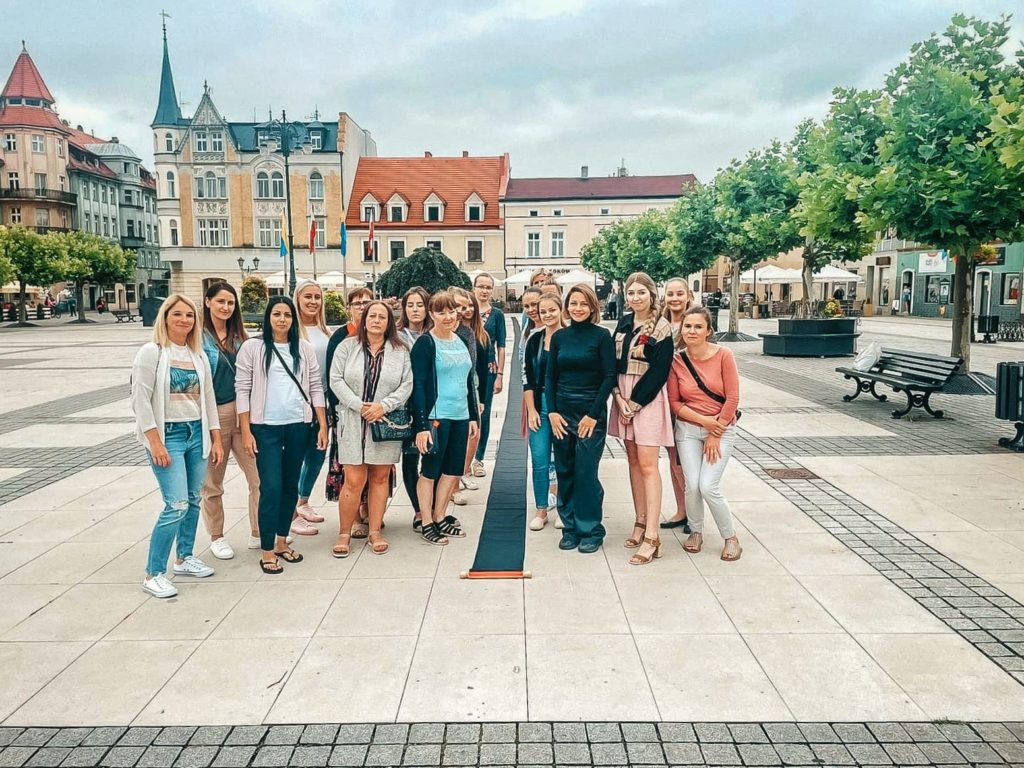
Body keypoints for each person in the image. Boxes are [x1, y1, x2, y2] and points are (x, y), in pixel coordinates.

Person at [131, 294, 223, 599]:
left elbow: (208, 397)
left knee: (194, 499)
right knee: (176, 504)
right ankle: (153, 572)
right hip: (168, 434)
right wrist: (154, 441)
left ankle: (184, 557)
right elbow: (140, 400)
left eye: (189, 315)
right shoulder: (152, 352)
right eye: (177, 314)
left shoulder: (196, 354)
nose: (184, 320)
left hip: (197, 432)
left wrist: (216, 437)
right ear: (165, 317)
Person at [236, 296, 328, 574]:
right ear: (269, 317)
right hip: (266, 428)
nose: (282, 319)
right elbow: (242, 389)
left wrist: (322, 424)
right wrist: (246, 431)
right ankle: (266, 550)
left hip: (298, 425)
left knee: (290, 487)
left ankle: (280, 541)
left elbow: (314, 387)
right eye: (277, 314)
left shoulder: (304, 349)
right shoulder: (252, 348)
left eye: (287, 315)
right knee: (271, 487)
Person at [329, 300, 413, 557]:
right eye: (372, 316)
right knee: (353, 479)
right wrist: (358, 405)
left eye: (382, 317)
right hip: (353, 420)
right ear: (364, 319)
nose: (376, 320)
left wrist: (384, 406)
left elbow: (406, 384)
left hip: (384, 422)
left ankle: (375, 530)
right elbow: (335, 379)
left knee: (379, 478)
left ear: (389, 323)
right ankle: (344, 533)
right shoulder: (347, 347)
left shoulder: (400, 350)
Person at [667, 306, 742, 562]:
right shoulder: (677, 360)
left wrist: (715, 431)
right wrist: (703, 422)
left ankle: (730, 537)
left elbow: (732, 397)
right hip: (688, 429)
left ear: (708, 330)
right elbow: (675, 403)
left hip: (721, 429)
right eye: (687, 326)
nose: (692, 331)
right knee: (691, 486)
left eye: (698, 326)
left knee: (708, 486)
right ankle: (696, 531)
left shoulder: (724, 355)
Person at [611, 272, 675, 565]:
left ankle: (652, 536)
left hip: (645, 398)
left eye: (640, 293)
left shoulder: (662, 327)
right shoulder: (623, 323)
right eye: (631, 293)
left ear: (651, 294)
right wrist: (618, 397)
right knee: (633, 461)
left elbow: (660, 371)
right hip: (622, 396)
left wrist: (634, 403)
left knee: (649, 465)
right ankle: (640, 520)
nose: (635, 298)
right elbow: (611, 363)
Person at [546, 284, 615, 554]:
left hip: (590, 413)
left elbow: (609, 377)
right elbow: (550, 377)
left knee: (586, 472)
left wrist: (592, 415)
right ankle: (570, 527)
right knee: (564, 470)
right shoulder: (560, 337)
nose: (577, 308)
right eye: (573, 303)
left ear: (592, 307)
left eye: (583, 304)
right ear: (567, 306)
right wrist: (551, 412)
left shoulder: (601, 336)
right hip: (561, 412)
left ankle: (591, 529)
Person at [411, 290, 480, 545]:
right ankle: (426, 520)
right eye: (442, 312)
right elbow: (418, 385)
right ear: (432, 314)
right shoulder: (426, 343)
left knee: (453, 471)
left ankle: (440, 516)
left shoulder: (461, 339)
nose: (449, 316)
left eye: (452, 310)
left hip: (461, 416)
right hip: (436, 417)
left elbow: (468, 382)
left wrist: (473, 416)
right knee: (430, 471)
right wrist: (421, 426)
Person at [200, 282, 262, 559]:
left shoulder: (241, 338)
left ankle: (259, 531)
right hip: (216, 413)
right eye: (221, 302)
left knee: (259, 477)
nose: (226, 307)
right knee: (213, 481)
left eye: (230, 303)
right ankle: (217, 535)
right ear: (207, 302)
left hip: (245, 413)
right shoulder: (199, 338)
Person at [325, 286, 373, 537]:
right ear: (349, 308)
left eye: (367, 302)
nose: (363, 307)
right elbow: (333, 377)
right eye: (357, 303)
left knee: (373, 466)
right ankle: (353, 519)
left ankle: (367, 511)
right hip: (347, 412)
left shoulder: (381, 333)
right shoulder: (341, 337)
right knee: (351, 468)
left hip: (376, 413)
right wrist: (340, 408)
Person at [292, 279, 331, 536]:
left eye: (317, 297)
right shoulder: (292, 331)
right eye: (308, 296)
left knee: (317, 454)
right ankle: (292, 513)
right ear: (297, 299)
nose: (313, 302)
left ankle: (303, 501)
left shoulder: (325, 331)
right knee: (295, 459)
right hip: (297, 405)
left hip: (323, 402)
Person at [524, 293, 565, 531]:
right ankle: (541, 509)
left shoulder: (570, 337)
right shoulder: (535, 340)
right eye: (543, 312)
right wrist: (531, 410)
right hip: (540, 404)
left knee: (562, 459)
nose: (547, 315)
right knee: (539, 459)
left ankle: (562, 506)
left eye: (552, 310)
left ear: (561, 310)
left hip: (564, 406)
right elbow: (527, 379)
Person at [398, 287, 432, 530]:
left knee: (432, 459)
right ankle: (419, 510)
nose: (415, 309)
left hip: (432, 403)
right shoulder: (397, 336)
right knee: (410, 459)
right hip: (403, 405)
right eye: (410, 305)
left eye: (420, 304)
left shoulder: (435, 333)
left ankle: (432, 508)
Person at [659, 277, 692, 533]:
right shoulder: (659, 324)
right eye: (670, 294)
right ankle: (682, 509)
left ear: (688, 295)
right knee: (673, 458)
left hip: (688, 400)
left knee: (688, 460)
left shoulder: (694, 323)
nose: (675, 298)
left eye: (679, 293)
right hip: (664, 398)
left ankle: (694, 513)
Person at [452, 287, 489, 504]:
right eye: (458, 305)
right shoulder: (437, 330)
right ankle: (452, 483)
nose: (462, 310)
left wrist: (479, 399)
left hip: (470, 387)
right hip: (447, 393)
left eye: (466, 306)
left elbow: (478, 367)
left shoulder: (471, 333)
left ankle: (460, 475)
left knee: (472, 434)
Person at [471, 273, 506, 477]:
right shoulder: (467, 311)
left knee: (484, 414)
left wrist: (500, 374)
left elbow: (501, 345)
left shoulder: (497, 314)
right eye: (481, 286)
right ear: (474, 287)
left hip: (489, 369)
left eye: (488, 287)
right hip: (467, 369)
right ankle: (464, 457)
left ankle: (479, 458)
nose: (484, 291)